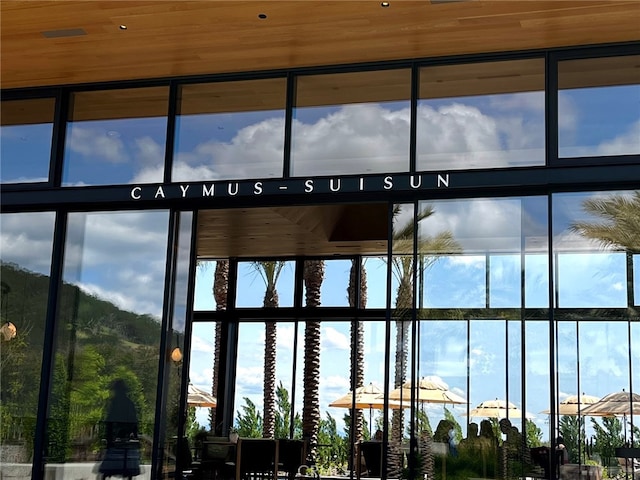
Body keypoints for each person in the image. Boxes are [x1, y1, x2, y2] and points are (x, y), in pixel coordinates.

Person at [98, 379, 141, 479]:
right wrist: (134, 434)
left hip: (116, 439)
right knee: (126, 466)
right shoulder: (128, 404)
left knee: (111, 467)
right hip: (122, 439)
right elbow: (133, 421)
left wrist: (109, 436)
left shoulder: (114, 404)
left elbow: (109, 420)